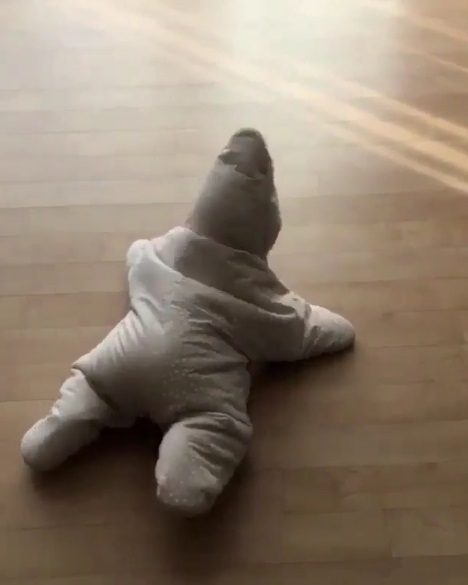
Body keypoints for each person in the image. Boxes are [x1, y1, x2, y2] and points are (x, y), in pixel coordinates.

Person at [21, 128, 355, 516]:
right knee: (213, 419)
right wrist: (337, 330)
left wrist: (139, 250)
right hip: (192, 387)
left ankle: (59, 428)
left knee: (95, 383)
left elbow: (138, 254)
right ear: (266, 231)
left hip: (125, 361)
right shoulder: (255, 295)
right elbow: (297, 331)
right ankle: (185, 477)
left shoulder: (161, 254)